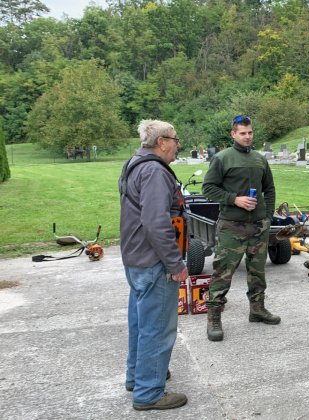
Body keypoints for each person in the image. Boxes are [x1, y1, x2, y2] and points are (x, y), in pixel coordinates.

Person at [119, 120, 188, 410]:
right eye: (174, 139)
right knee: (157, 328)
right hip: (153, 261)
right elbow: (156, 223)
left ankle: (138, 376)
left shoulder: (135, 162)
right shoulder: (154, 171)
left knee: (140, 322)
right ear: (161, 142)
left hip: (136, 259)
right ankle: (148, 393)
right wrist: (176, 264)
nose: (177, 144)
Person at [202, 115, 279, 342]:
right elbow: (208, 188)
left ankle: (257, 309)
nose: (247, 136)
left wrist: (266, 216)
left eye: (250, 132)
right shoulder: (222, 158)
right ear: (233, 134)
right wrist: (234, 199)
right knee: (223, 273)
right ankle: (214, 317)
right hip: (231, 226)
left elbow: (270, 189)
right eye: (242, 133)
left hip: (258, 226)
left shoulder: (259, 159)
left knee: (257, 272)